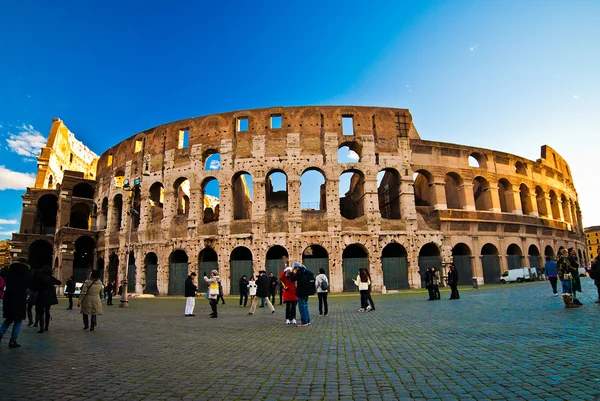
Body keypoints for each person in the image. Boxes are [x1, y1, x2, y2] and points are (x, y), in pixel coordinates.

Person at [0, 261, 31, 348]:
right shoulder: (26, 273)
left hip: (9, 297)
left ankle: (0, 334)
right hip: (20, 298)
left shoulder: (9, 271)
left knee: (8, 319)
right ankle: (13, 340)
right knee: (18, 320)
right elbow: (30, 284)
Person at [34, 265, 61, 333]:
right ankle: (46, 326)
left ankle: (41, 327)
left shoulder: (40, 277)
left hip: (41, 295)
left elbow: (35, 287)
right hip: (49, 296)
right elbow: (59, 282)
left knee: (41, 312)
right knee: (47, 311)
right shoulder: (51, 278)